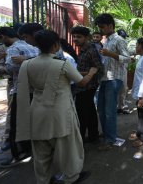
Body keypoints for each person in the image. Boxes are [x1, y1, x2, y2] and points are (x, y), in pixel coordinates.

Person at [16, 30, 96, 184]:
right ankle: (71, 177)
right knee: (68, 148)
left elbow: (29, 89)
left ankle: (43, 180)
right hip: (60, 112)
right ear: (56, 45)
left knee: (41, 152)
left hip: (37, 111)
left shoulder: (26, 65)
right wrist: (92, 72)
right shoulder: (62, 64)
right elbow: (82, 82)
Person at [0, 27, 39, 168]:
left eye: (1, 40)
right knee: (32, 122)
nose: (1, 44)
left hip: (20, 90)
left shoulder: (13, 49)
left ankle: (19, 155)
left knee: (17, 124)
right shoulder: (33, 48)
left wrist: (1, 68)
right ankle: (32, 150)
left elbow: (9, 68)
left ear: (4, 36)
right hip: (34, 90)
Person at [94, 14, 130, 150]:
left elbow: (127, 59)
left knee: (109, 111)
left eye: (102, 27)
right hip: (105, 78)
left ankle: (110, 139)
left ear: (110, 25)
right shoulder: (106, 40)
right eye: (99, 27)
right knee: (102, 110)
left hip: (114, 79)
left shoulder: (119, 40)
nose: (101, 30)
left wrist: (110, 54)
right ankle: (107, 134)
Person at [71, 26, 103, 143]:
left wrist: (79, 73)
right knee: (89, 111)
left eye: (79, 37)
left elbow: (99, 68)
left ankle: (81, 139)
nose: (75, 39)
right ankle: (93, 135)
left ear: (86, 37)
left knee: (82, 113)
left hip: (88, 86)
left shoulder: (91, 50)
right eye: (74, 37)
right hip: (82, 85)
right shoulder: (82, 50)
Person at [128, 38, 143, 147]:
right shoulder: (142, 58)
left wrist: (141, 97)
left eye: (136, 45)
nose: (135, 47)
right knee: (140, 114)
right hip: (140, 93)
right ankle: (139, 133)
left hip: (142, 94)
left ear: (141, 46)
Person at [116, 29, 130, 114]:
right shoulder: (119, 43)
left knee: (122, 89)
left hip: (122, 68)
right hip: (120, 69)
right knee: (122, 89)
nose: (124, 39)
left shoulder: (120, 44)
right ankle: (121, 107)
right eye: (123, 37)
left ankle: (120, 106)